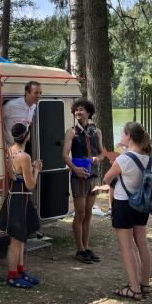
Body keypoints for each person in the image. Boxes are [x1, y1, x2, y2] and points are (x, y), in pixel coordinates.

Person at [103, 122, 152, 301]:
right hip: (142, 203)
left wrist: (116, 163)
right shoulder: (150, 157)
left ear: (129, 136)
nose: (121, 137)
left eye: (124, 134)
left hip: (124, 204)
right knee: (142, 243)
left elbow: (107, 178)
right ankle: (144, 283)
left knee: (126, 247)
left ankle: (134, 288)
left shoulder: (123, 159)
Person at [0, 123, 43, 288]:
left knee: (21, 238)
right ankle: (12, 276)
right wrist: (36, 169)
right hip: (20, 199)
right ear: (27, 135)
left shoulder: (9, 150)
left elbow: (13, 174)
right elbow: (31, 185)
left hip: (14, 196)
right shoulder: (25, 157)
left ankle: (20, 271)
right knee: (16, 241)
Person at [62, 99, 107, 264]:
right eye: (76, 110)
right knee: (80, 213)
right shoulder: (71, 132)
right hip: (78, 176)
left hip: (93, 176)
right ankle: (79, 249)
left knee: (88, 213)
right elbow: (65, 155)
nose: (78, 113)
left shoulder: (97, 132)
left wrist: (98, 158)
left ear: (88, 112)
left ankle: (86, 248)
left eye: (81, 110)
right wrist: (75, 169)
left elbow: (103, 153)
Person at [3, 81, 42, 147]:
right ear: (27, 93)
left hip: (22, 145)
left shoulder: (34, 106)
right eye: (36, 93)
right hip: (9, 146)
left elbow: (27, 123)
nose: (39, 96)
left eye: (40, 93)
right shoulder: (12, 105)